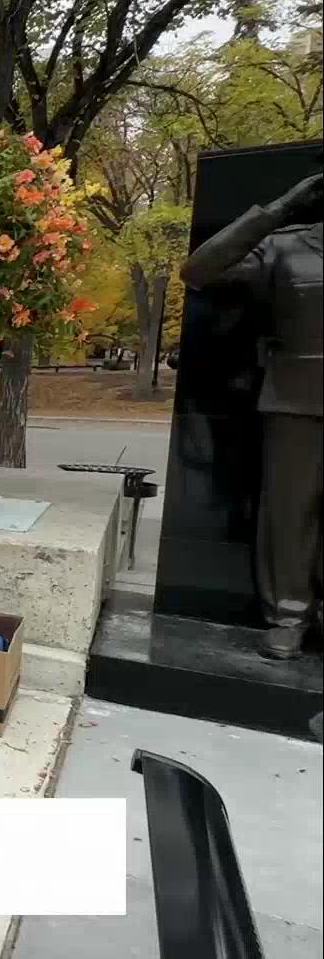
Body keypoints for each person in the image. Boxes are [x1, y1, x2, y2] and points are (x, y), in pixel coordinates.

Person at [179, 164, 322, 659]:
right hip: (297, 399)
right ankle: (289, 614)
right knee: (289, 512)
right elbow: (199, 270)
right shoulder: (288, 244)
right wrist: (278, 210)